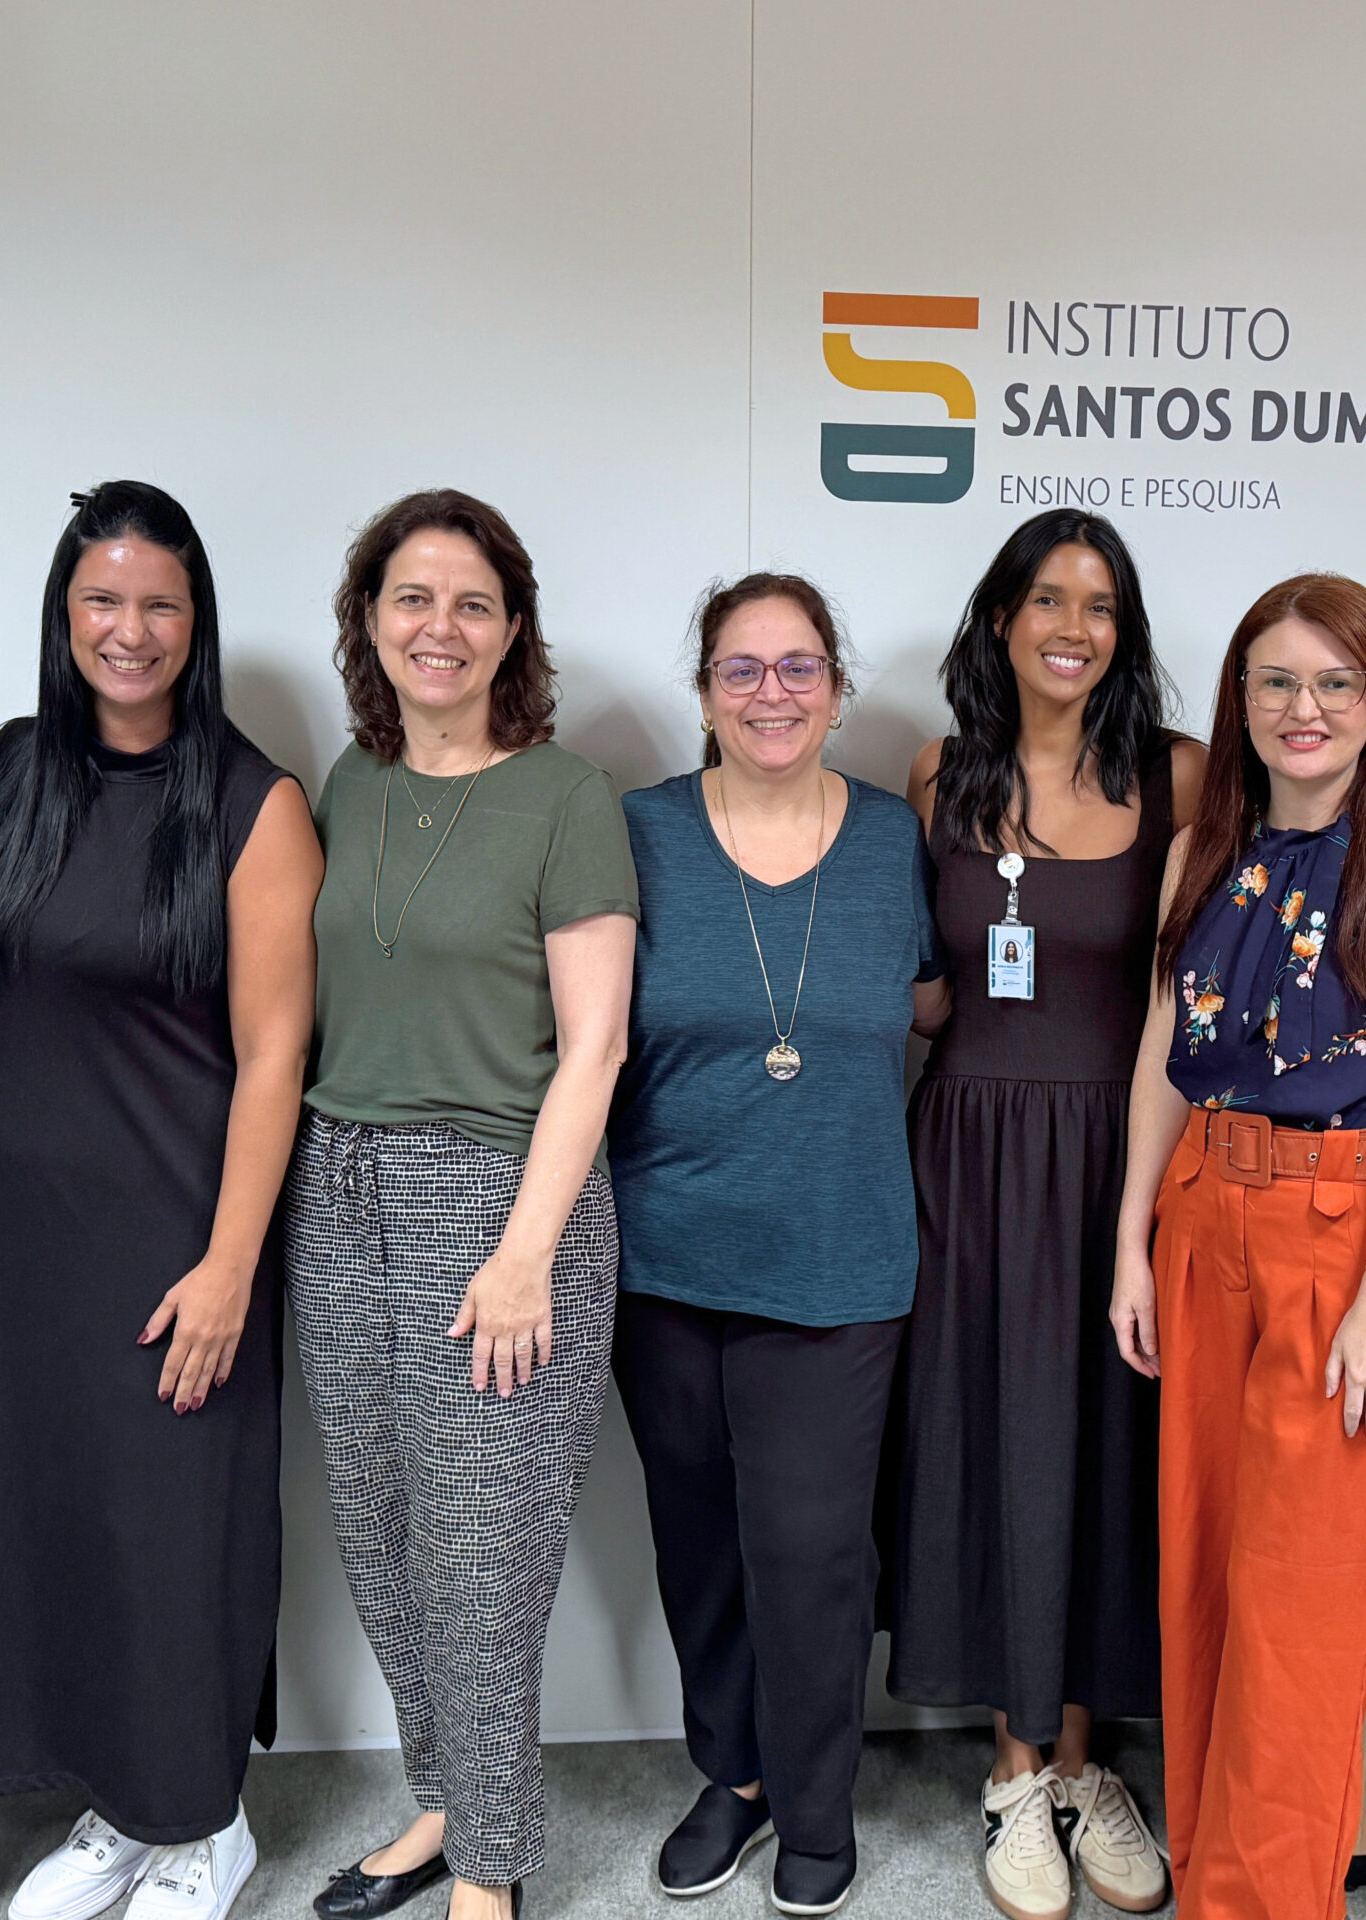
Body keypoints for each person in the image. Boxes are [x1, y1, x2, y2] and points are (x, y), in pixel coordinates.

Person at [0, 483, 320, 1920]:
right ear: (64, 615)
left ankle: (201, 1823)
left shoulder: (254, 801)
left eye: (159, 603)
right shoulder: (9, 771)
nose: (130, 629)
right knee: (60, 1519)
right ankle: (119, 1808)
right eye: (102, 601)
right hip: (22, 1237)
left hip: (181, 1223)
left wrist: (232, 1259)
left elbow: (278, 1051)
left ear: (197, 621)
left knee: (180, 1528)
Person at [1109, 575, 1366, 1919]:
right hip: (1203, 1212)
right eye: (1276, 681)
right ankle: (1214, 1883)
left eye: (1335, 683)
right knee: (1203, 1585)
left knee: (1300, 1618)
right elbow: (1166, 1049)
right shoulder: (1204, 849)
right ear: (1241, 700)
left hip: (1343, 1240)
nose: (1303, 708)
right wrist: (1130, 1247)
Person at [291, 490, 635, 1920]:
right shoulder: (346, 782)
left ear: (513, 632)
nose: (442, 627)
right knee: (381, 1540)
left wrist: (524, 1253)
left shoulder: (563, 798)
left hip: (498, 1196)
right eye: (413, 598)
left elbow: (596, 1044)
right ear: (371, 620)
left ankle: (488, 1877)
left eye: (474, 603)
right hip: (338, 1185)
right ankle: (444, 1801)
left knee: (482, 1562)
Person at [612, 574, 945, 1917]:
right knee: (698, 1539)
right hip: (663, 1255)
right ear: (703, 690)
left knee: (811, 1550)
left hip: (842, 1256)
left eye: (799, 668)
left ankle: (816, 1801)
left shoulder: (894, 840)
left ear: (838, 689)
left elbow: (933, 1001)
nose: (771, 693)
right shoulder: (632, 832)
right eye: (742, 670)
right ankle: (732, 1773)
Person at [887, 510, 1201, 1920]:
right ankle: (1011, 1767)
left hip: (1113, 1157)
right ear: (1002, 618)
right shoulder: (938, 776)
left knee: (1103, 1450)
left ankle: (1085, 1762)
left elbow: (1189, 995)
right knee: (988, 1442)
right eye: (1046, 599)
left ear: (1122, 632)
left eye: (1101, 605)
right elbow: (932, 991)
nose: (1073, 627)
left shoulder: (1181, 779)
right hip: (966, 1150)